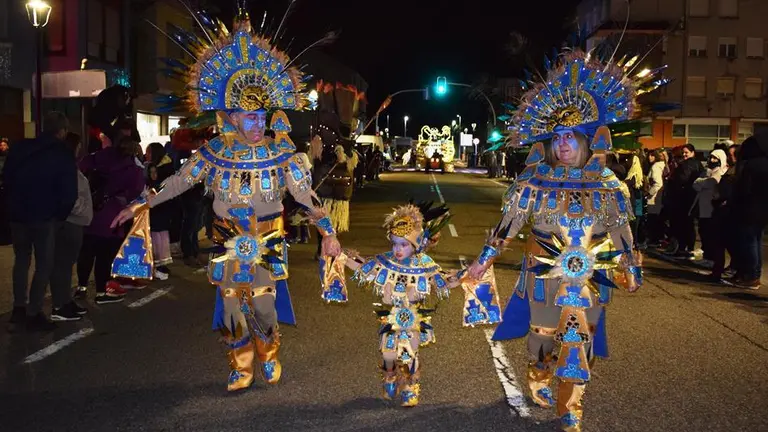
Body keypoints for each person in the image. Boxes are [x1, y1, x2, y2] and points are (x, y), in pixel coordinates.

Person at [110, 5, 341, 392]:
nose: (257, 123)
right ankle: (241, 364)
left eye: (261, 116)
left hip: (267, 240)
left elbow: (306, 195)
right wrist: (143, 203)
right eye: (248, 117)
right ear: (230, 116)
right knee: (232, 308)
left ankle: (268, 352)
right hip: (228, 242)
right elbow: (179, 182)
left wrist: (328, 231)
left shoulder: (283, 153)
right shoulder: (213, 153)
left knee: (265, 307)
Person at [464, 50, 655, 432]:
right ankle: (538, 374)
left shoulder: (608, 186)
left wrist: (631, 267)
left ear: (588, 141)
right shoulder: (532, 182)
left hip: (590, 280)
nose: (564, 144)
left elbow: (622, 232)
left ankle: (571, 406)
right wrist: (481, 262)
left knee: (580, 340)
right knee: (542, 341)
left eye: (572, 137)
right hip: (543, 279)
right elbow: (507, 227)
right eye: (558, 137)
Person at [327, 203, 457, 407]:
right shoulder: (384, 262)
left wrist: (470, 274)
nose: (397, 249)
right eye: (395, 244)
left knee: (409, 354)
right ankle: (390, 375)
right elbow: (362, 268)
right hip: (390, 318)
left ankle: (411, 385)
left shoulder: (425, 265)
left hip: (413, 319)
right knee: (388, 354)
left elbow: (444, 281)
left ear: (415, 245)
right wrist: (340, 256)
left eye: (404, 245)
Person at [3, 111, 78, 330]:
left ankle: (18, 307)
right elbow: (69, 193)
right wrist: (59, 216)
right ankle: (34, 311)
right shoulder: (62, 153)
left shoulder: (19, 148)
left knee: (21, 259)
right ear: (62, 131)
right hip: (45, 216)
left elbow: (6, 177)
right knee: (44, 263)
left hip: (18, 215)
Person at [77, 135, 145, 304]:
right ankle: (101, 292)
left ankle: (81, 287)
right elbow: (136, 192)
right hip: (113, 214)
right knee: (104, 256)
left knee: (86, 252)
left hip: (91, 210)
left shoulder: (100, 157)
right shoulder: (133, 168)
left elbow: (82, 165)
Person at [50, 133, 92, 321]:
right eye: (78, 145)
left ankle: (64, 301)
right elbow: (69, 196)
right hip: (70, 222)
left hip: (72, 221)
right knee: (62, 265)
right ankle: (59, 305)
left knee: (66, 265)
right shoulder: (66, 168)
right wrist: (82, 210)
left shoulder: (67, 166)